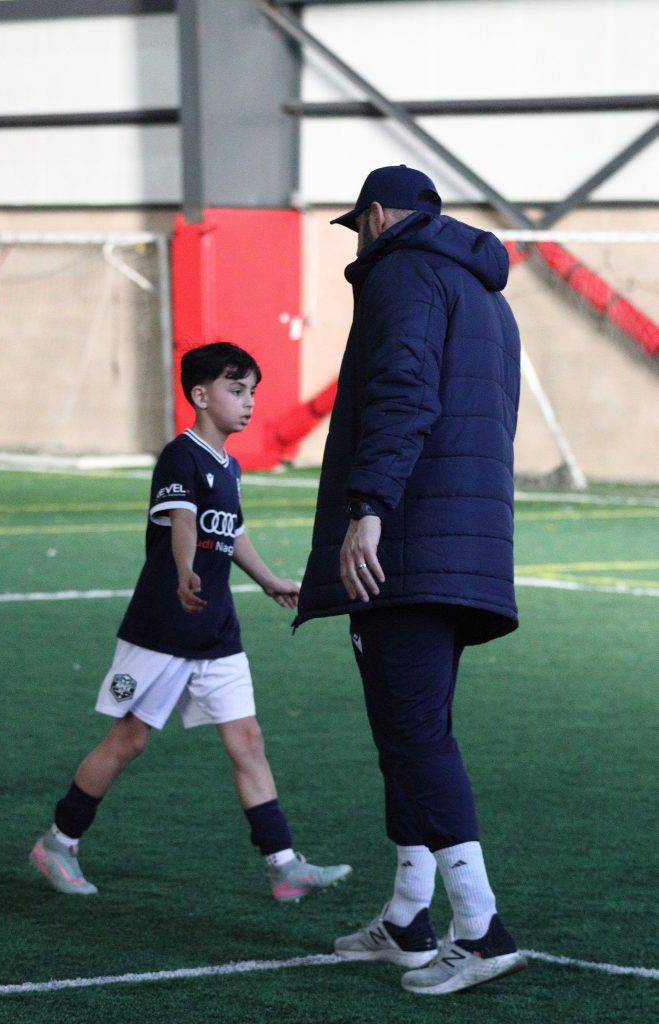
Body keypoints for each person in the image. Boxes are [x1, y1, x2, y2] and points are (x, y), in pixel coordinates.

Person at [294, 165, 526, 994]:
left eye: (358, 224)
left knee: (416, 735)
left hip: (406, 546)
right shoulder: (484, 293)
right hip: (462, 544)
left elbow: (402, 393)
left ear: (379, 215)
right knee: (409, 730)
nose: (358, 238)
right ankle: (405, 919)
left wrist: (369, 507)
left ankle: (481, 928)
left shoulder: (400, 271)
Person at [30, 342, 351, 904]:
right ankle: (58, 842)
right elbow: (184, 519)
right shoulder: (181, 455)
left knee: (247, 740)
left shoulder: (230, 465)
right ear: (201, 396)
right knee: (128, 740)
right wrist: (183, 570)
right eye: (236, 389)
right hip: (165, 625)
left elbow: (230, 531)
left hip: (216, 629)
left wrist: (268, 578)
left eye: (253, 391)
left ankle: (284, 865)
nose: (249, 402)